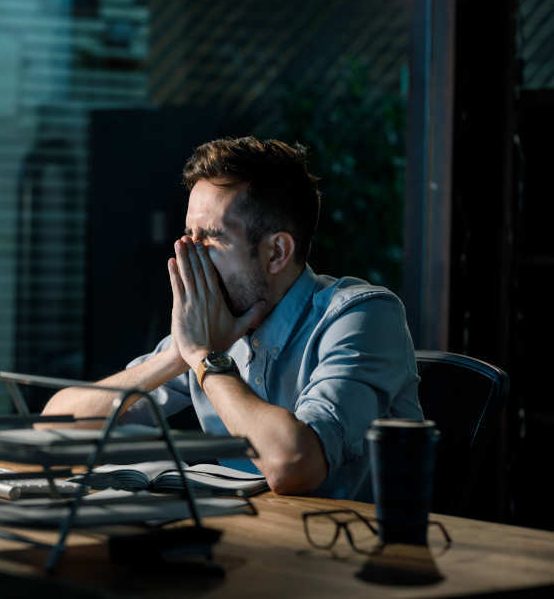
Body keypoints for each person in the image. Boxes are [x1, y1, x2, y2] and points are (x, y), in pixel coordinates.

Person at [43, 136, 423, 500]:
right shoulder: (216, 326)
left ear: (277, 252)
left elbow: (292, 464)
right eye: (187, 234)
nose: (188, 254)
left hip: (351, 556)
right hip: (251, 546)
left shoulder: (364, 316)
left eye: (210, 238)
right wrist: (177, 357)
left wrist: (207, 361)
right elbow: (53, 428)